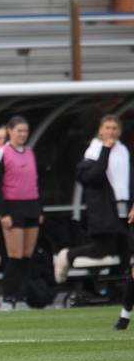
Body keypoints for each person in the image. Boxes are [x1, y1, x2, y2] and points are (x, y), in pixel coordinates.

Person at [55, 115, 132, 283]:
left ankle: (115, 291)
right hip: (103, 208)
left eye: (114, 128)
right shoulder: (93, 151)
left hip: (122, 207)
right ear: (100, 130)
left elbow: (127, 180)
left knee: (124, 251)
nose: (111, 132)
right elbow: (93, 177)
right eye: (107, 128)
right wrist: (105, 150)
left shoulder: (122, 150)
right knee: (103, 249)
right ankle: (67, 255)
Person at [0, 115, 41, 311]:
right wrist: (2, 213)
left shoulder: (30, 152)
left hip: (31, 207)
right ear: (10, 131)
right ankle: (7, 298)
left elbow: (35, 182)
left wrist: (40, 209)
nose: (22, 134)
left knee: (27, 255)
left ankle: (21, 298)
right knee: (14, 255)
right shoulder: (2, 152)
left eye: (25, 131)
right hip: (12, 208)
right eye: (19, 130)